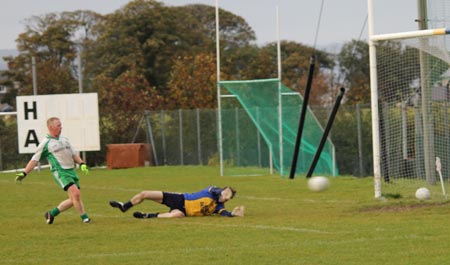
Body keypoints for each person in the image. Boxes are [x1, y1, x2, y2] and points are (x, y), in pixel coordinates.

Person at [15, 117, 92, 224]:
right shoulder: (45, 143)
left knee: (73, 199)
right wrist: (24, 172)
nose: (61, 127)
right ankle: (85, 218)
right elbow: (34, 159)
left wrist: (82, 164)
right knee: (76, 193)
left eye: (61, 125)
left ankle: (51, 214)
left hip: (71, 170)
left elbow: (74, 154)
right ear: (51, 127)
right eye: (58, 125)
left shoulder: (64, 140)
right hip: (60, 172)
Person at [109, 186, 245, 218]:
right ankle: (124, 206)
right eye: (226, 192)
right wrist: (223, 192)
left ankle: (147, 216)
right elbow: (216, 191)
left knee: (175, 216)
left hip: (184, 211)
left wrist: (232, 214)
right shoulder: (213, 190)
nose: (226, 196)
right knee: (145, 194)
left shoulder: (218, 205)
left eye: (229, 196)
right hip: (180, 199)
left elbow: (223, 212)